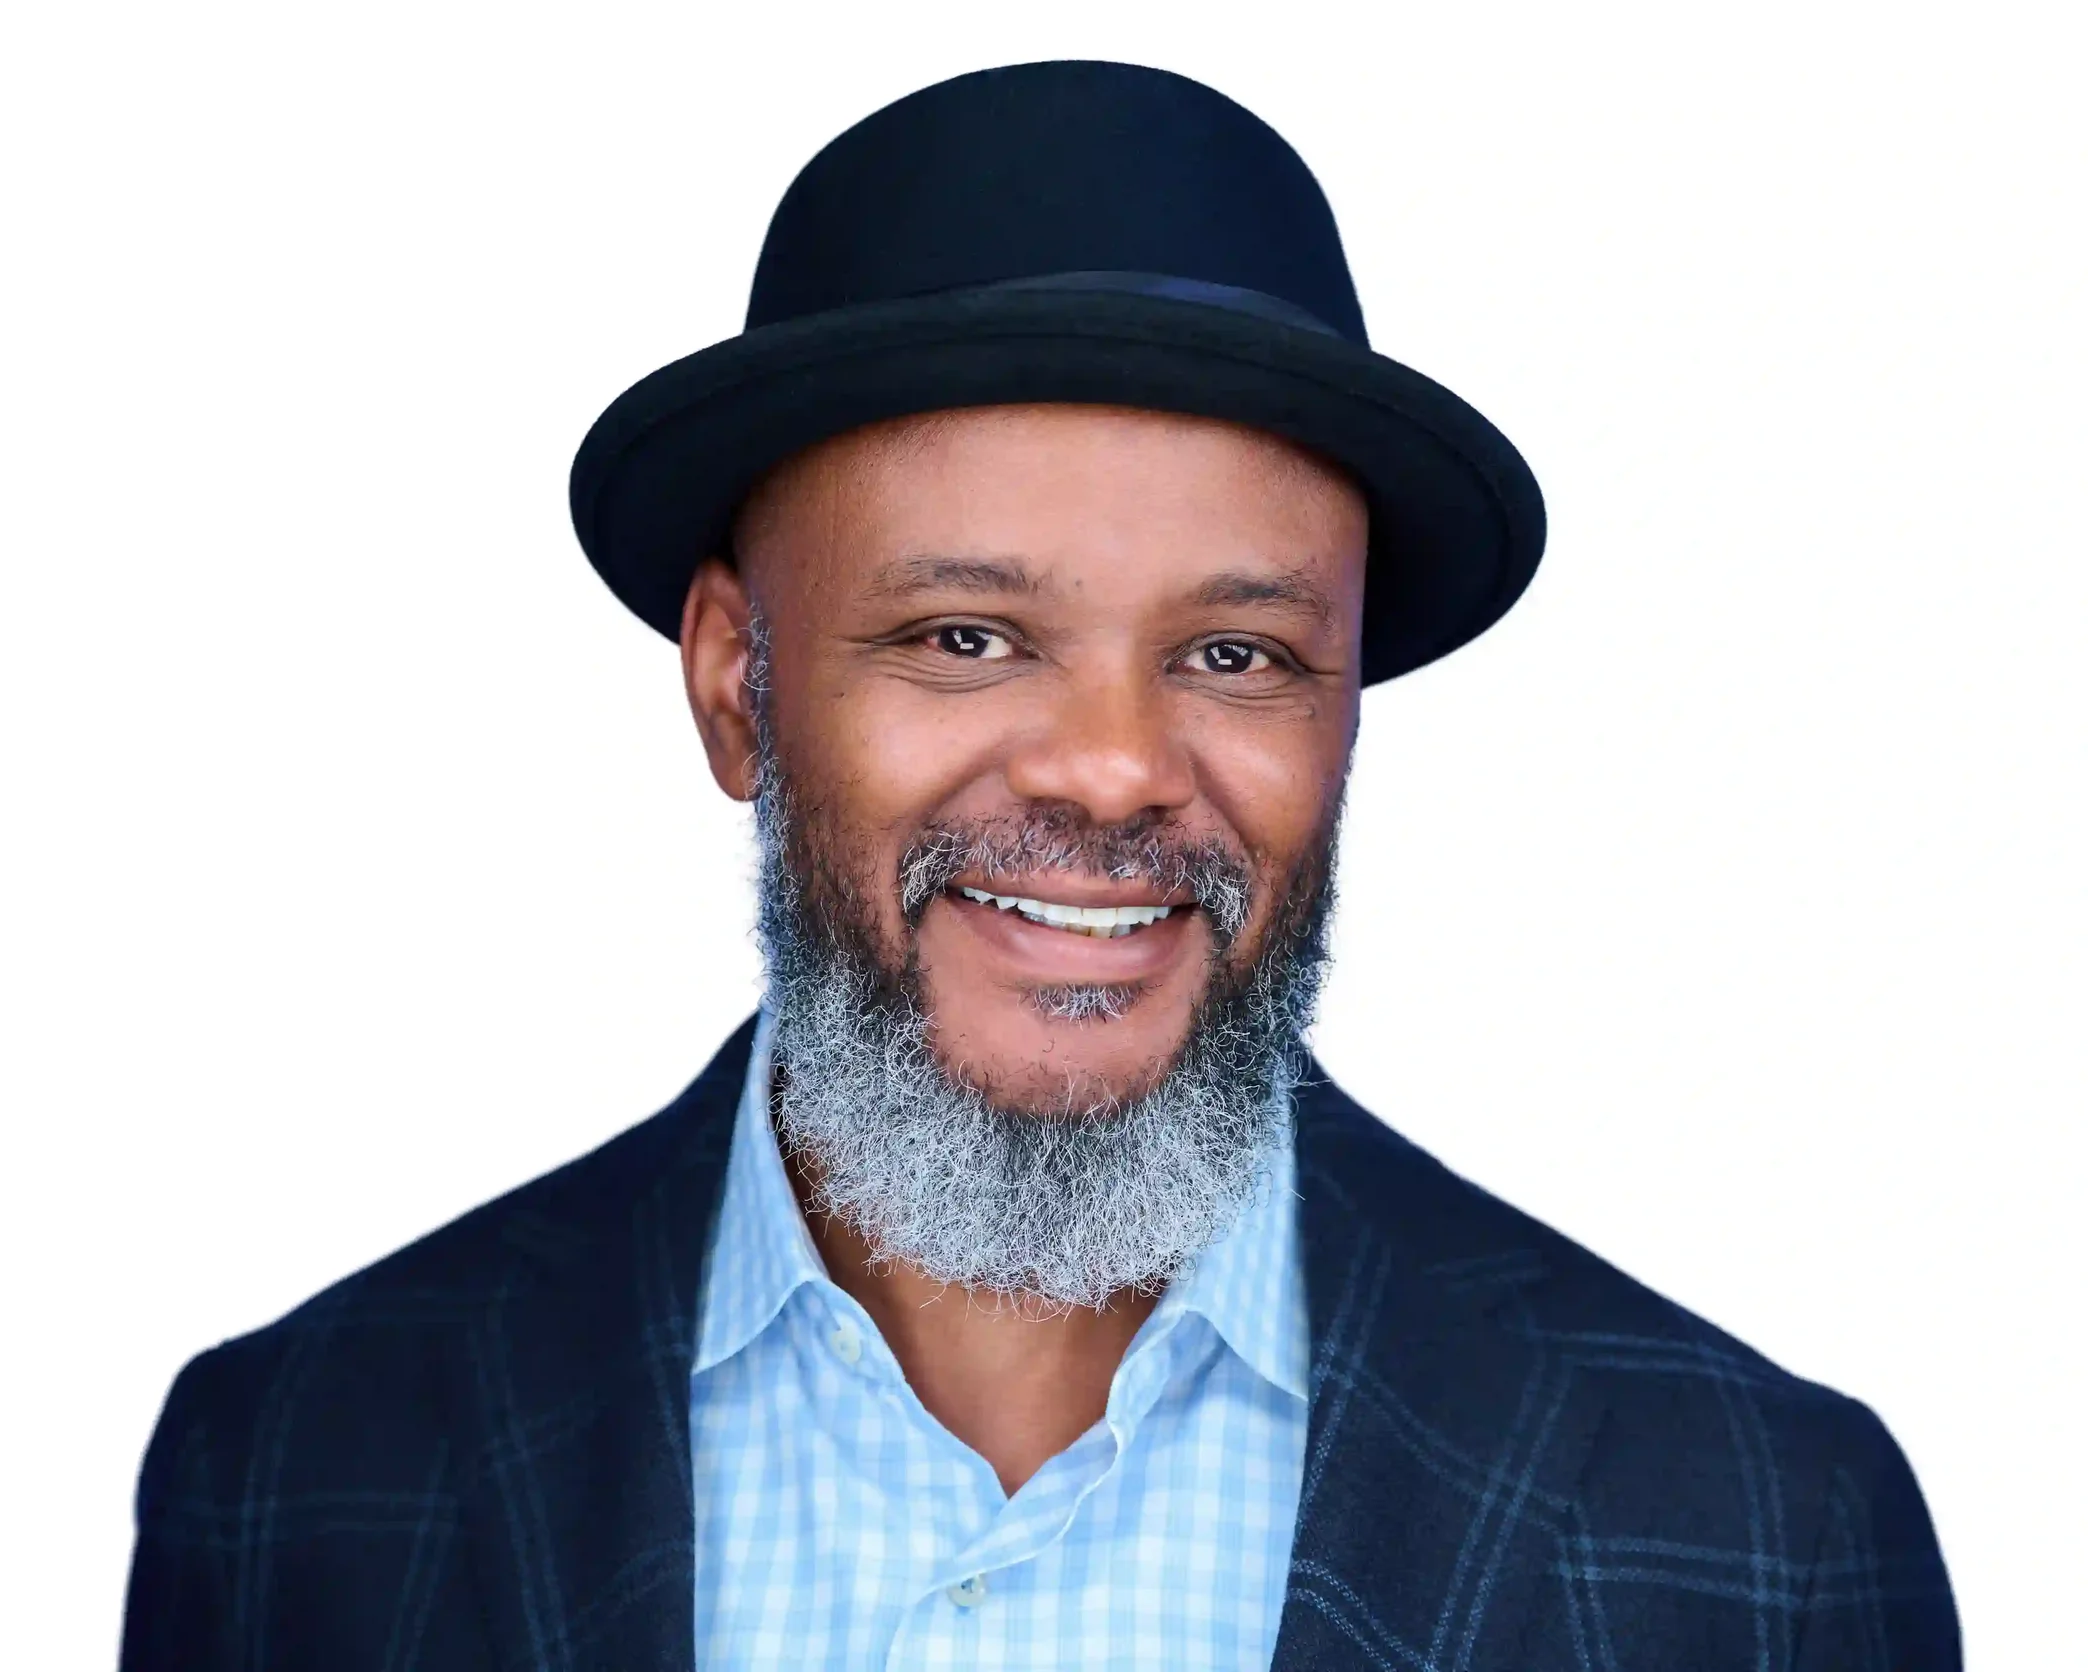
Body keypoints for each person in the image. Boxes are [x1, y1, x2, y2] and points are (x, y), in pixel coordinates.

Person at [118, 60, 1958, 1670]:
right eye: (968, 637)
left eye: (1236, 656)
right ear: (735, 683)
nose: (1111, 770)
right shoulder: (300, 1469)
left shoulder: (1761, 1535)